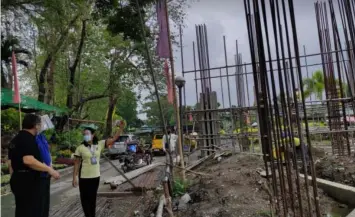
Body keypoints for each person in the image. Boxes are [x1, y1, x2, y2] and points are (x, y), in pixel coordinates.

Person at [8, 114, 60, 217]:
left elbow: (10, 163)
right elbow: (29, 160)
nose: (41, 126)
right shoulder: (28, 139)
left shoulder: (15, 140)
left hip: (18, 179)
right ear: (35, 125)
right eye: (40, 124)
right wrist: (50, 170)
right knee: (34, 212)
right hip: (29, 182)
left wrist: (14, 179)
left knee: (22, 210)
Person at [72, 121, 125, 217]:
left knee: (93, 198)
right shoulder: (80, 148)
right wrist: (74, 177)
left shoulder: (99, 144)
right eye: (84, 134)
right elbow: (76, 163)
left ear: (93, 135)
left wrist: (120, 129)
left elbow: (114, 139)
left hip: (95, 176)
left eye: (87, 134)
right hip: (84, 177)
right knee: (85, 199)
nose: (85, 136)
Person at [36, 131, 52, 217]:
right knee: (40, 203)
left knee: (46, 202)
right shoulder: (33, 138)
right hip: (39, 175)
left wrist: (51, 165)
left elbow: (47, 151)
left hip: (47, 174)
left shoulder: (43, 136)